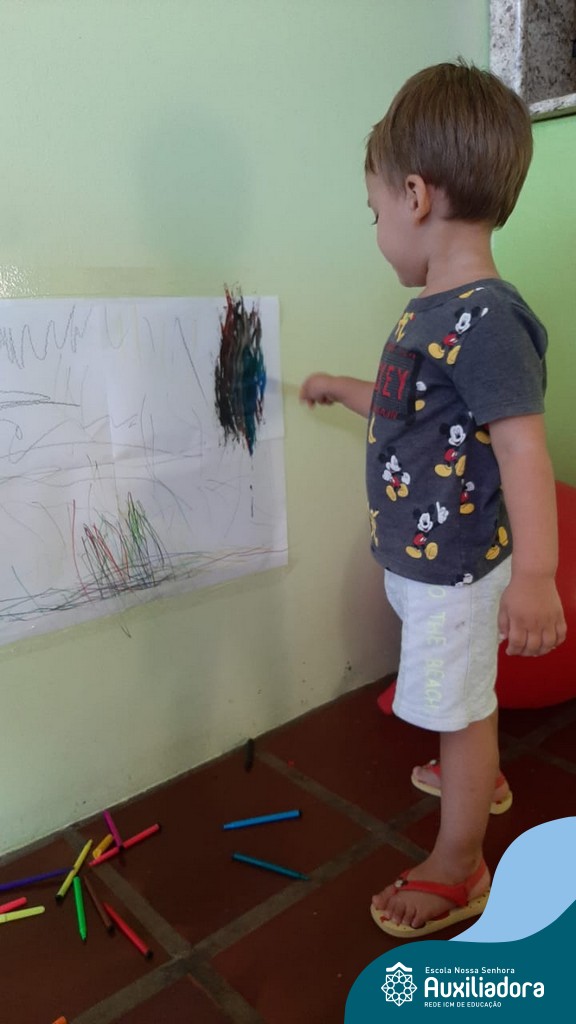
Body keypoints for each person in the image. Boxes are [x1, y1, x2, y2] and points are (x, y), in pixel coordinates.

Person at [300, 61, 567, 938]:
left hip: (454, 570)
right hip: (429, 561)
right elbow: (415, 413)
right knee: (461, 698)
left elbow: (523, 449)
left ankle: (460, 865)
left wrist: (538, 575)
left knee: (461, 706)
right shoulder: (435, 311)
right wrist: (344, 387)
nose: (378, 230)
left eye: (374, 211)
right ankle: (473, 771)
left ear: (415, 196)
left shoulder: (486, 320)